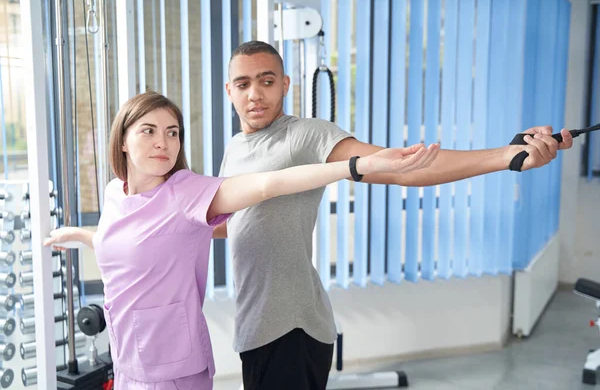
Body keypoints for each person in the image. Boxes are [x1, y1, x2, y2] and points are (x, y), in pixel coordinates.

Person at [215, 40, 574, 390]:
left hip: (290, 327)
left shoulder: (303, 135)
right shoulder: (235, 147)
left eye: (266, 81)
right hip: (255, 323)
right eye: (244, 84)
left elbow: (403, 168)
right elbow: (238, 224)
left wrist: (508, 156)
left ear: (285, 84)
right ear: (230, 90)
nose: (255, 94)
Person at [43, 91, 441, 390]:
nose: (163, 142)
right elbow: (126, 246)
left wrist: (356, 166)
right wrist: (79, 234)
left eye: (172, 132)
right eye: (148, 131)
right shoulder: (116, 193)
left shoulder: (188, 193)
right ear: (124, 140)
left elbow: (270, 184)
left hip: (171, 369)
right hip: (127, 359)